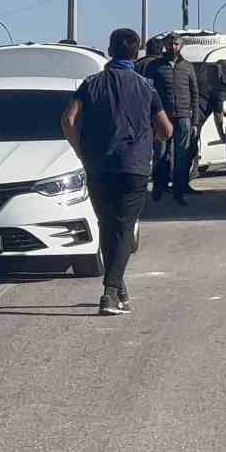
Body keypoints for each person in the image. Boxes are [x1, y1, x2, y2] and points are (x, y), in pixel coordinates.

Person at [61, 28, 173, 317]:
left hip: (99, 166)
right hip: (133, 167)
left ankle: (118, 288)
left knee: (108, 227)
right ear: (135, 53)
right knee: (123, 230)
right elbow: (166, 130)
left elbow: (68, 119)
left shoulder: (91, 84)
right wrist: (148, 139)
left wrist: (81, 151)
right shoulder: (146, 86)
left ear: (110, 50)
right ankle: (110, 293)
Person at [148, 33, 202, 204]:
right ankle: (159, 187)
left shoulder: (187, 67)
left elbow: (195, 94)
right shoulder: (155, 66)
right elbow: (148, 91)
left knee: (182, 155)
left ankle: (178, 191)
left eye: (177, 44)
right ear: (165, 45)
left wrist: (195, 122)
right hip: (162, 117)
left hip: (184, 117)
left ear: (181, 46)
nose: (173, 47)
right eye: (170, 44)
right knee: (161, 154)